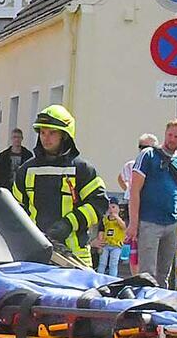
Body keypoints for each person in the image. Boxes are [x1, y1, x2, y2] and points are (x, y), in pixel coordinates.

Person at [12, 105, 108, 267]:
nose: (46, 138)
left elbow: (98, 204)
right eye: (42, 132)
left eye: (52, 133)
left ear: (65, 135)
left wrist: (68, 223)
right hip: (37, 254)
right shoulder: (26, 170)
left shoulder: (82, 169)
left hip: (75, 256)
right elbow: (16, 209)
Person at [128, 119, 177, 285]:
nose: (171, 139)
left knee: (164, 273)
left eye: (176, 136)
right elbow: (134, 190)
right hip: (149, 221)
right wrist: (133, 223)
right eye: (169, 134)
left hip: (171, 223)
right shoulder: (148, 155)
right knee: (147, 273)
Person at [95, 199, 129, 276]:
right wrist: (100, 245)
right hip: (106, 244)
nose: (111, 210)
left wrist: (117, 217)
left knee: (113, 264)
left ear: (118, 208)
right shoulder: (105, 220)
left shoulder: (121, 220)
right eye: (109, 208)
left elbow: (124, 227)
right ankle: (99, 276)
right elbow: (101, 231)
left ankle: (112, 278)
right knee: (102, 262)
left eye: (113, 207)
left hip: (116, 245)